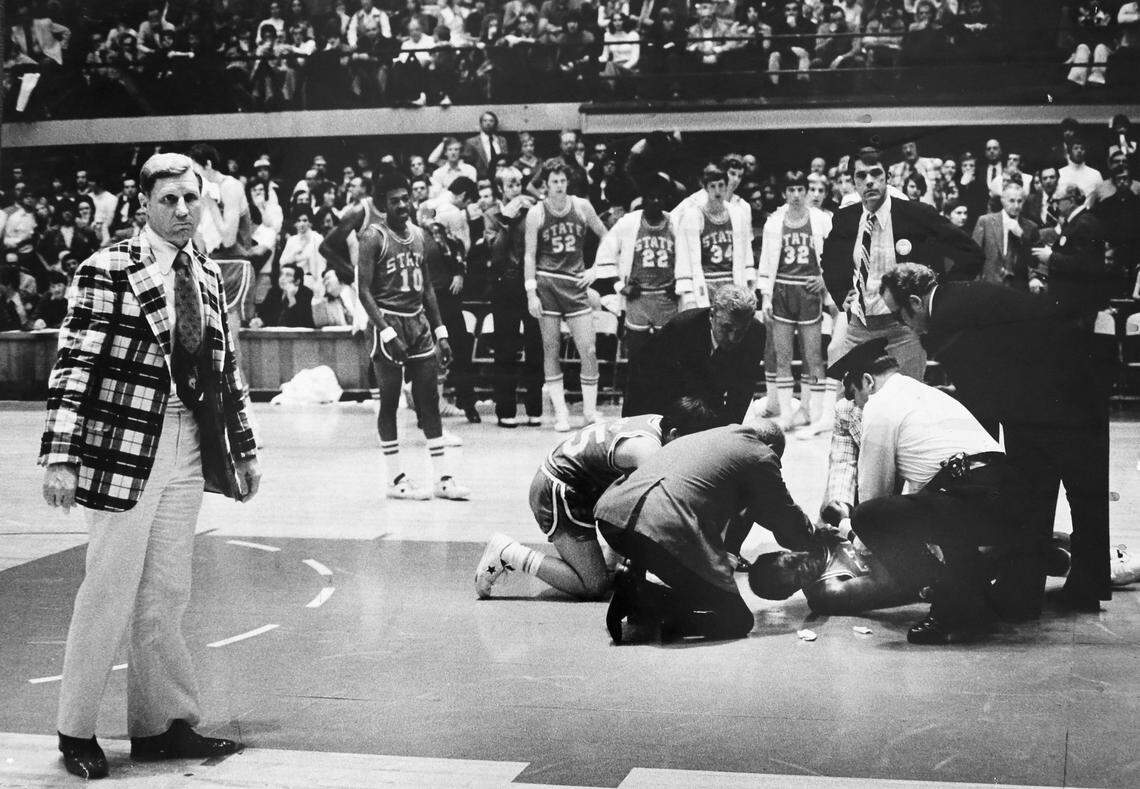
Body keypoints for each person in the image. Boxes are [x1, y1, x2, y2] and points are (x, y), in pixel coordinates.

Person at [39, 153, 260, 780]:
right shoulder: (105, 269)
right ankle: (74, 730)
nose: (183, 210)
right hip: (122, 449)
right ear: (143, 205)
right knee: (107, 589)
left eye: (192, 199)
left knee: (168, 590)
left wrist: (243, 448)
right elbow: (73, 365)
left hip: (190, 443)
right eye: (169, 201)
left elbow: (226, 371)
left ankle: (162, 726)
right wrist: (60, 455)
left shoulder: (210, 274)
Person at [880, 263, 1111, 615]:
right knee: (1085, 495)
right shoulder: (957, 294)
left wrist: (976, 459)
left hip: (1047, 401)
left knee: (1033, 493)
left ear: (914, 301)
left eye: (900, 315)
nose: (903, 325)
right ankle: (1084, 587)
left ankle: (1022, 593)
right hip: (1071, 385)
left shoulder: (945, 320)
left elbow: (979, 400)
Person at [826, 338, 1021, 644]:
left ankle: (949, 599)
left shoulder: (879, 403)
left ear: (867, 381)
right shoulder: (929, 394)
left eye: (855, 397)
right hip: (1009, 496)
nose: (857, 407)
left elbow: (874, 495)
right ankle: (972, 594)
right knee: (940, 512)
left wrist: (850, 531)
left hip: (966, 498)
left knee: (869, 517)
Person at [474, 399, 719, 600]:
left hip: (575, 486)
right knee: (593, 586)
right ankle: (508, 553)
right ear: (675, 434)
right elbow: (659, 513)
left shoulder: (660, 423)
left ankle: (608, 564)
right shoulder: (647, 451)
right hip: (558, 490)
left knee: (616, 564)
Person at [598, 419, 816, 643]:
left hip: (612, 517)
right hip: (661, 529)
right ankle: (643, 598)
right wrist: (816, 540)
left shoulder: (705, 437)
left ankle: (636, 586)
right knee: (737, 619)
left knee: (702, 586)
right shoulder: (760, 453)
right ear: (771, 448)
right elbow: (783, 515)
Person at [821, 145, 983, 381]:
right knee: (859, 407)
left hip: (904, 329)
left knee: (905, 405)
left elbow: (970, 254)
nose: (869, 182)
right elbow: (830, 260)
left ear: (887, 177)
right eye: (861, 175)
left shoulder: (916, 214)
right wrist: (840, 292)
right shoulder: (846, 218)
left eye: (876, 173)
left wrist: (935, 297)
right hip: (859, 328)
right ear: (854, 182)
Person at [357, 172, 470, 500]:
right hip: (387, 324)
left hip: (419, 324)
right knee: (390, 403)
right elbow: (363, 292)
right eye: (395, 201)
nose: (403, 205)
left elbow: (429, 292)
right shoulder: (373, 237)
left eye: (406, 199)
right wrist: (387, 331)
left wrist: (442, 333)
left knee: (429, 402)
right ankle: (395, 480)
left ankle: (443, 480)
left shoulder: (420, 236)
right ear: (383, 205)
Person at [524, 160, 609, 431]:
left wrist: (597, 270)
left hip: (576, 283)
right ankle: (561, 413)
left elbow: (607, 236)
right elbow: (529, 254)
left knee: (589, 349)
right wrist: (530, 293)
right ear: (545, 185)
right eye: (554, 182)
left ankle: (589, 411)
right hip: (547, 283)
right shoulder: (536, 213)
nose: (559, 186)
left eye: (562, 181)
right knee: (551, 349)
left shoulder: (582, 206)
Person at [623, 284, 763, 425]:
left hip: (704, 392)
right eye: (726, 328)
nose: (733, 338)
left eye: (741, 330)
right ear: (712, 315)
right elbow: (658, 384)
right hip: (654, 387)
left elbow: (742, 390)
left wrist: (727, 433)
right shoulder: (681, 329)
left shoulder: (757, 333)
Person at [757, 171, 833, 431]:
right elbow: (766, 261)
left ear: (808, 191)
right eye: (792, 190)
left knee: (813, 355)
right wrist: (766, 296)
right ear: (784, 193)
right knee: (783, 356)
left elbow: (835, 257)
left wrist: (826, 280)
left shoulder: (822, 220)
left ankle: (814, 411)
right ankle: (787, 413)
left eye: (802, 189)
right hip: (781, 290)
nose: (798, 195)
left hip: (810, 291)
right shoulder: (773, 223)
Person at [593, 175, 680, 366]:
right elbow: (605, 252)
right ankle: (636, 396)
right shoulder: (629, 222)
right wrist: (619, 285)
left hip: (666, 297)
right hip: (638, 297)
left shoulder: (675, 223)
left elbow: (690, 256)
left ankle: (665, 396)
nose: (656, 201)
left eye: (660, 197)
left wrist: (680, 283)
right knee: (637, 358)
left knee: (668, 358)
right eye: (651, 197)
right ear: (643, 199)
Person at [484, 166, 542, 427]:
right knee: (505, 348)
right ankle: (505, 410)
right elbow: (495, 252)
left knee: (535, 347)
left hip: (531, 284)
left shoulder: (533, 211)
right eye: (510, 184)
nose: (516, 189)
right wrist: (506, 221)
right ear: (500, 189)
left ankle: (534, 408)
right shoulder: (491, 215)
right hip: (504, 285)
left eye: (518, 183)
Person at [674, 161, 756, 309]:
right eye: (712, 186)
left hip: (732, 282)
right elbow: (685, 255)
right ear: (705, 188)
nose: (717, 191)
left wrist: (748, 282)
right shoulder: (693, 216)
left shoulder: (737, 214)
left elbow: (746, 250)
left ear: (726, 186)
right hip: (705, 283)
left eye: (721, 185)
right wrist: (688, 294)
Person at [1029, 184, 1109, 329]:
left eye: (1057, 201)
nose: (1054, 205)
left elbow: (1083, 263)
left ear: (1071, 201)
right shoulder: (1076, 222)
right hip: (1072, 302)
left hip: (1079, 303)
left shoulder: (1084, 223)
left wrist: (1051, 257)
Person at [972, 183, 1044, 292]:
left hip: (1017, 288)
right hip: (988, 286)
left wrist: (1022, 236)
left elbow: (1035, 261)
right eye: (1011, 201)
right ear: (1003, 200)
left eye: (1019, 201)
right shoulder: (985, 221)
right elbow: (974, 256)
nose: (1016, 206)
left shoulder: (1030, 227)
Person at [252, 263, 315, 328]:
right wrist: (259, 321)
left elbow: (303, 323)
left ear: (297, 281)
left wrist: (291, 299)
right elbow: (263, 314)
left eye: (288, 275)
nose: (282, 278)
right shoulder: (274, 292)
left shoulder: (307, 294)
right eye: (281, 274)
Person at [462, 110, 509, 179]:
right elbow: (468, 166)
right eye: (485, 121)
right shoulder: (471, 142)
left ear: (495, 123)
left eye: (491, 121)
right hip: (481, 180)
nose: (488, 123)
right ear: (481, 123)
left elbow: (505, 161)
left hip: (501, 178)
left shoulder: (502, 140)